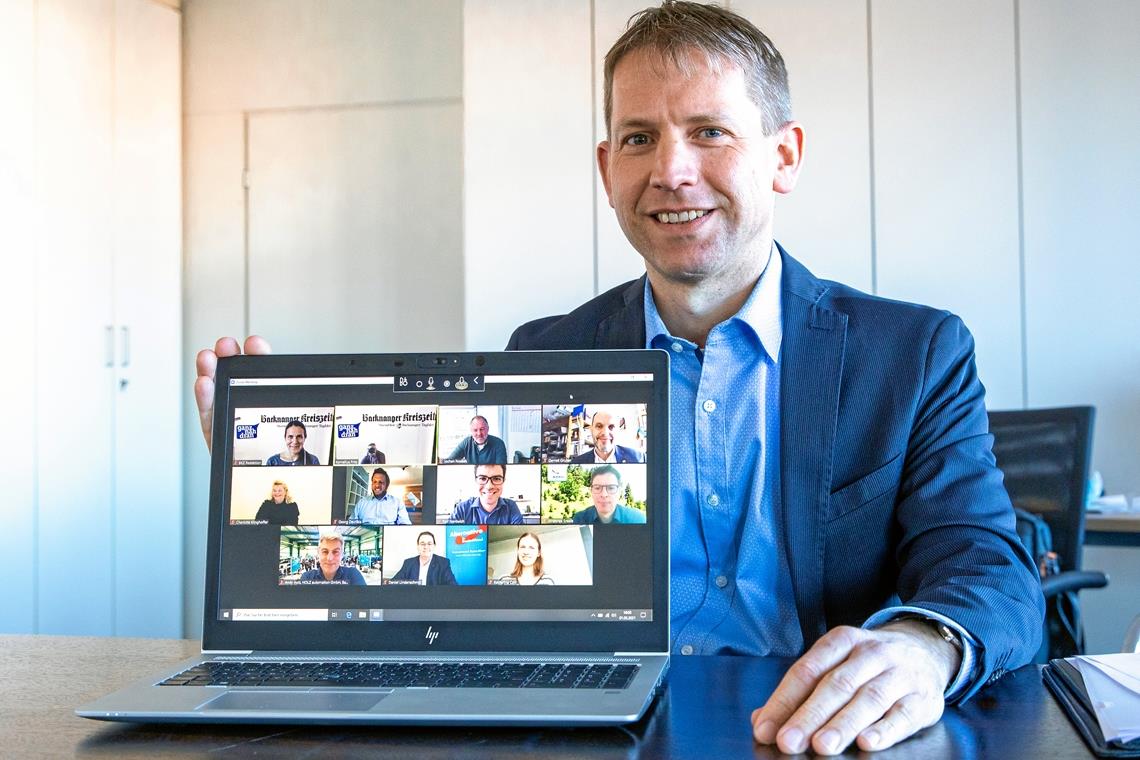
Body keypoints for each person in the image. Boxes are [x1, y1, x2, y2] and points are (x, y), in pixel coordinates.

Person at [192, 3, 1042, 753]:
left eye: (709, 131)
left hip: (811, 733)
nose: (670, 170)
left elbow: (987, 564)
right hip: (593, 734)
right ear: (607, 168)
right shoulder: (544, 354)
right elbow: (452, 569)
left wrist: (928, 646)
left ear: (783, 156)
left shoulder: (913, 352)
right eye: (639, 138)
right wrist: (287, 485)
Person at [448, 464, 524, 525]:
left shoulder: (511, 507)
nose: (489, 486)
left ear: (503, 481)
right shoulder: (462, 509)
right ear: (475, 480)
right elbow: (452, 540)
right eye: (483, 478)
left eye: (496, 478)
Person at [572, 465, 646, 524]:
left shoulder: (637, 519)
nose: (604, 494)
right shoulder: (579, 519)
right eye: (597, 488)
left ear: (620, 491)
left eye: (611, 488)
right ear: (591, 491)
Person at [570, 410, 645, 463]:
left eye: (611, 427)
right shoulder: (576, 463)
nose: (605, 433)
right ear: (591, 430)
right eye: (599, 426)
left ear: (617, 431)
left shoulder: (639, 458)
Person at [390, 532, 457, 585]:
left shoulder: (443, 563)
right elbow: (393, 582)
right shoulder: (408, 563)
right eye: (422, 544)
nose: (426, 547)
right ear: (418, 546)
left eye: (429, 544)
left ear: (434, 546)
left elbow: (453, 586)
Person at [298, 534, 365, 585]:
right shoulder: (307, 577)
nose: (329, 558)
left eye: (335, 552)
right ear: (318, 553)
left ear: (342, 554)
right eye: (325, 551)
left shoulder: (353, 575)